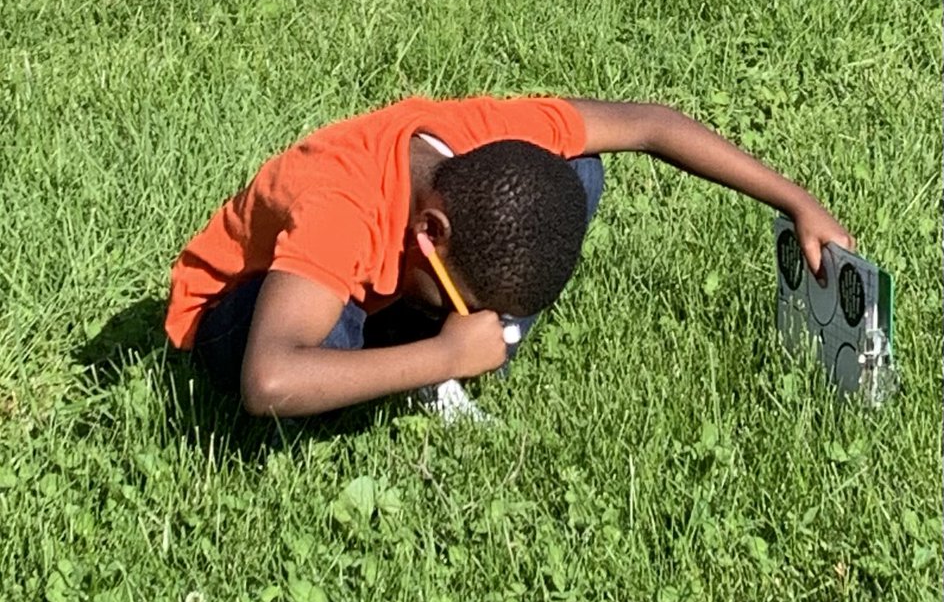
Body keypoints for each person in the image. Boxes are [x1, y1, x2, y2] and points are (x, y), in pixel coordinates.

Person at [164, 95, 853, 419]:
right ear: (429, 232)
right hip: (240, 313)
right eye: (469, 306)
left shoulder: (490, 138)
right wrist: (444, 357)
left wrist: (794, 200)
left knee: (576, 173)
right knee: (335, 334)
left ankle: (426, 341)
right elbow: (269, 381)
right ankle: (420, 366)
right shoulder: (342, 208)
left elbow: (650, 124)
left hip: (396, 261)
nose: (494, 330)